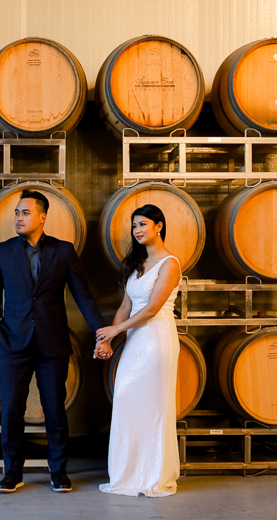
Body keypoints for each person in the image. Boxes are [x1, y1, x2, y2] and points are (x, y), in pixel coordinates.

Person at [0, 189, 109, 494]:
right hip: (12, 344)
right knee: (11, 411)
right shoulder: (1, 252)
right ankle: (13, 472)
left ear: (42, 217)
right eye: (17, 213)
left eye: (25, 213)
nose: (19, 218)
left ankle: (58, 471)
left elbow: (83, 296)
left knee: (55, 410)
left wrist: (101, 333)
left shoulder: (63, 251)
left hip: (52, 344)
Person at [95, 204, 182, 497]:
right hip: (135, 341)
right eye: (134, 226)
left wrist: (115, 331)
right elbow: (126, 305)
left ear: (159, 226)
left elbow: (153, 308)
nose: (137, 230)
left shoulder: (170, 263)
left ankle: (154, 475)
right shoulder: (138, 263)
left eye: (143, 224)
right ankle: (128, 473)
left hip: (157, 340)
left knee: (154, 407)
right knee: (125, 399)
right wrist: (107, 340)